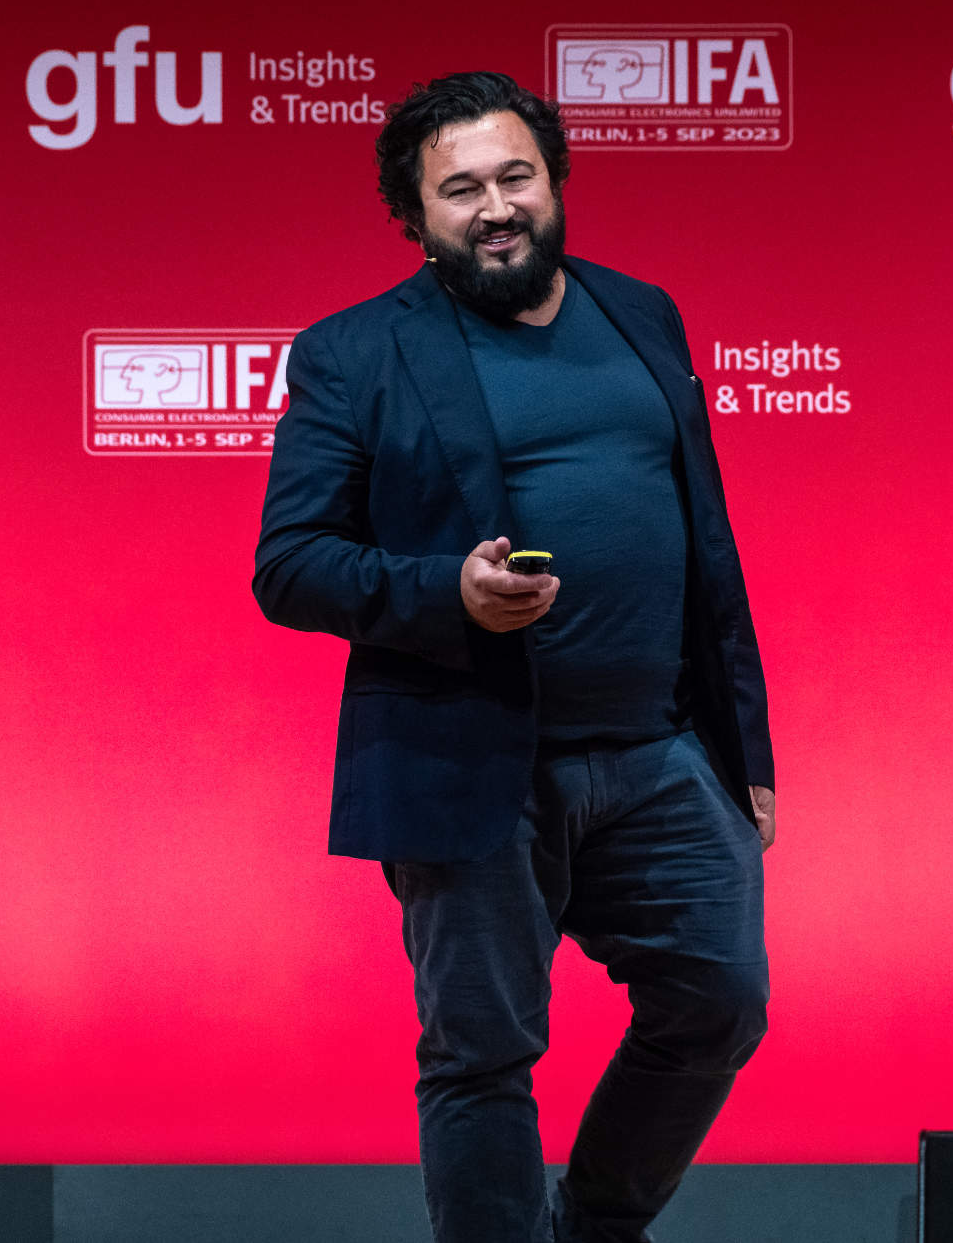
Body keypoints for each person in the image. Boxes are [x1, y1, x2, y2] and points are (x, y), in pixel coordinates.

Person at [251, 70, 776, 1243]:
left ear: (553, 181)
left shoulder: (641, 314)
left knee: (718, 1002)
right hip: (470, 761)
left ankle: (593, 1225)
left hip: (659, 755)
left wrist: (744, 750)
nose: (495, 209)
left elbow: (709, 549)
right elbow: (290, 564)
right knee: (482, 1053)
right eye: (460, 190)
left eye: (514, 177)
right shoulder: (353, 353)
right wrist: (448, 591)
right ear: (414, 215)